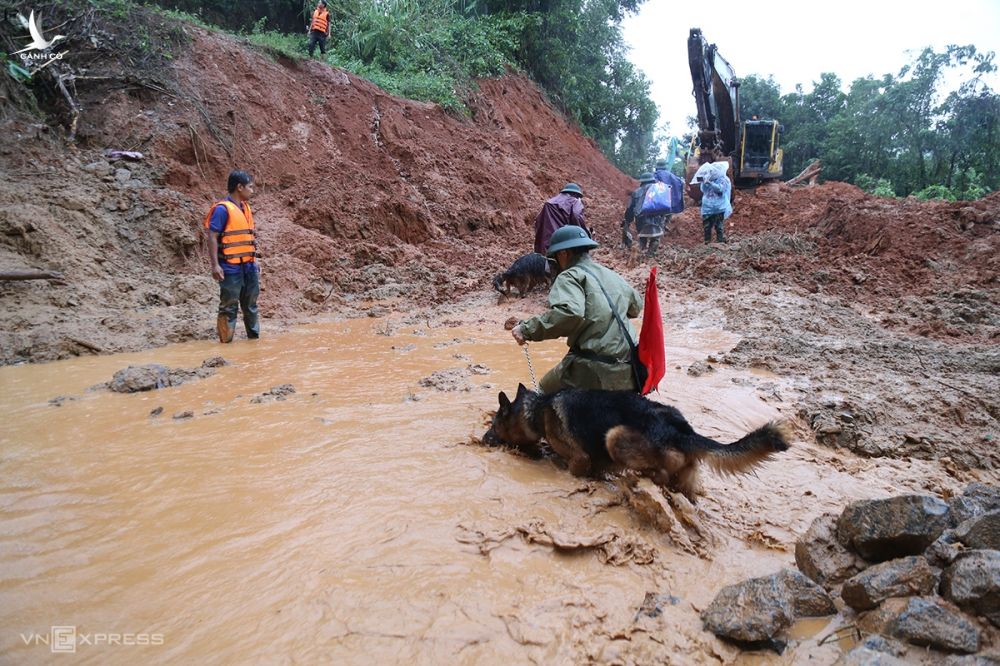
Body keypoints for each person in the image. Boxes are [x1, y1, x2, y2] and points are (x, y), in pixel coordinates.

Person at [512, 225, 642, 393]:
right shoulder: (612, 275)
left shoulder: (569, 276)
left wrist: (526, 329)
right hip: (630, 369)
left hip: (594, 368)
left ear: (563, 253)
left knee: (542, 391)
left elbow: (569, 314)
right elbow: (636, 307)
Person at [204, 170, 260, 343]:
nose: (252, 190)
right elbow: (212, 236)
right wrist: (215, 265)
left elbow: (247, 237)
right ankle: (225, 343)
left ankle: (254, 340)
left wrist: (254, 260)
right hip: (230, 267)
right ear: (239, 187)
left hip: (248, 266)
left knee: (251, 305)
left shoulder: (246, 208)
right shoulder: (222, 209)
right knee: (229, 306)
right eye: (250, 187)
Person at [533, 182, 588, 255]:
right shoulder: (574, 201)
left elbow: (538, 222)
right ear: (576, 194)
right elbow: (577, 216)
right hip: (562, 245)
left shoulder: (549, 203)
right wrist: (584, 234)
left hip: (544, 245)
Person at [622, 172, 665, 257]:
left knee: (642, 237)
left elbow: (630, 208)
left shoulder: (636, 192)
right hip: (656, 218)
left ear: (642, 182)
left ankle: (637, 253)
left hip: (641, 219)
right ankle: (650, 255)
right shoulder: (659, 191)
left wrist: (628, 220)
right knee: (655, 238)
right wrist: (663, 218)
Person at [699, 161, 732, 243]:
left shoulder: (723, 179)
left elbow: (720, 189)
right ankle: (707, 242)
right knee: (706, 226)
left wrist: (710, 183)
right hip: (707, 207)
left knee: (719, 226)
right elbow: (703, 190)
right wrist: (704, 182)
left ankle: (719, 241)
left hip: (719, 207)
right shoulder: (707, 178)